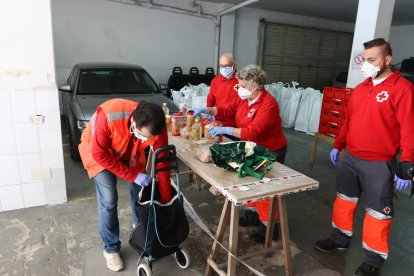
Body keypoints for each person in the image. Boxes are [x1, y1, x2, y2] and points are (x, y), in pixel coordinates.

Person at [314, 38, 414, 276]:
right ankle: (339, 238)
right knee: (344, 200)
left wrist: (408, 161)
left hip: (379, 163)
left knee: (378, 212)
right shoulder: (361, 89)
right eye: (365, 59)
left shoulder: (402, 89)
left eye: (372, 60)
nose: (366, 65)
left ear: (387, 60)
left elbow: (409, 128)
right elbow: (349, 122)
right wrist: (338, 145)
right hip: (351, 158)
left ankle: (374, 260)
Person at [191, 64, 288, 243]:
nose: (240, 89)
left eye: (242, 86)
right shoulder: (244, 98)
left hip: (269, 150)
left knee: (264, 189)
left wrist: (226, 129)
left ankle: (269, 228)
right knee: (250, 183)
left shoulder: (268, 104)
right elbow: (228, 108)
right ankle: (253, 217)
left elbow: (253, 132)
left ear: (255, 85)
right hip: (251, 148)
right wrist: (208, 110)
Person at [78, 99, 171, 272]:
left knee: (141, 192)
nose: (147, 139)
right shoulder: (109, 115)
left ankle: (140, 232)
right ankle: (110, 249)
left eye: (149, 137)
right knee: (109, 199)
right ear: (134, 122)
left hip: (128, 150)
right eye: (144, 135)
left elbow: (163, 164)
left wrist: (165, 200)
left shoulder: (157, 125)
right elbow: (99, 154)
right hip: (98, 152)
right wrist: (132, 175)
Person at [207, 53, 239, 129]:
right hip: (219, 123)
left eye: (227, 65)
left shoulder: (241, 80)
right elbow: (210, 99)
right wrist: (208, 111)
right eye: (221, 66)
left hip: (236, 124)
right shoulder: (215, 81)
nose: (224, 68)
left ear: (234, 66)